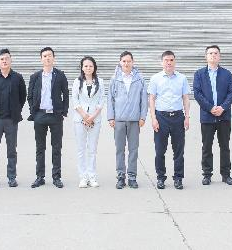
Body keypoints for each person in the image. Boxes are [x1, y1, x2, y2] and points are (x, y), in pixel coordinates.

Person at [193, 45, 232, 186]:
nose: (213, 55)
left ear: (219, 56)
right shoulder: (199, 74)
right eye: (210, 53)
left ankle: (226, 175)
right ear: (206, 56)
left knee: (225, 146)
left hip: (224, 116)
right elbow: (197, 93)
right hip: (207, 116)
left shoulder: (227, 74)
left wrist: (223, 107)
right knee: (207, 147)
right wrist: (210, 108)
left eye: (215, 53)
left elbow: (231, 93)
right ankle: (207, 174)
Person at [27, 46, 69, 188]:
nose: (47, 58)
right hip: (40, 115)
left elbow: (66, 94)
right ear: (41, 59)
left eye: (49, 55)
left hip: (55, 116)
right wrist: (33, 111)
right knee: (40, 148)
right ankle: (40, 177)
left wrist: (63, 111)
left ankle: (56, 177)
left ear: (53, 58)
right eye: (44, 56)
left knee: (56, 147)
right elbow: (30, 95)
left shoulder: (60, 75)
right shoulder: (35, 77)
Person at [148, 50, 191, 190]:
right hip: (161, 117)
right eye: (166, 60)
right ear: (162, 62)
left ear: (175, 61)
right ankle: (160, 178)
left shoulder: (182, 78)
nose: (169, 63)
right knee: (160, 150)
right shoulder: (155, 78)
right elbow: (152, 99)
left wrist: (187, 117)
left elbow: (186, 98)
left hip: (178, 117)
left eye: (171, 60)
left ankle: (178, 178)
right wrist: (153, 118)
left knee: (179, 150)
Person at [0, 48, 27, 187]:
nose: (4, 61)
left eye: (6, 58)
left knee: (11, 151)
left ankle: (11, 177)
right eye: (1, 59)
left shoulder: (18, 77)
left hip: (11, 120)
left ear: (10, 60)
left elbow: (22, 96)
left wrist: (16, 110)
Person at [107, 51, 147, 189]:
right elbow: (110, 99)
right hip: (119, 120)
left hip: (134, 120)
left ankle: (132, 177)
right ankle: (120, 176)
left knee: (133, 149)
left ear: (133, 62)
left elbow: (144, 100)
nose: (126, 63)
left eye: (129, 61)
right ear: (120, 62)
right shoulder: (115, 79)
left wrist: (142, 117)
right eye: (124, 61)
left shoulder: (139, 79)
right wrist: (111, 117)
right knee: (120, 149)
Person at [72, 56, 106, 188]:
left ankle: (92, 176)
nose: (88, 68)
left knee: (92, 149)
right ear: (82, 68)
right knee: (81, 149)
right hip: (80, 119)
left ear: (94, 67)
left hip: (95, 119)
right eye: (86, 66)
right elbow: (75, 100)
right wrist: (84, 116)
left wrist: (92, 117)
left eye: (90, 66)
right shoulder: (77, 82)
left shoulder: (100, 82)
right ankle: (83, 177)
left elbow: (101, 100)